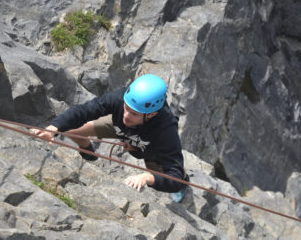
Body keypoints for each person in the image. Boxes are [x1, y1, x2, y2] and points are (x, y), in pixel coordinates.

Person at [31, 74, 188, 201]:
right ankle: (86, 147)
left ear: (152, 114)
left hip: (152, 150)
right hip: (120, 129)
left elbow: (174, 177)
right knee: (72, 129)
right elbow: (84, 111)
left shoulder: (166, 131)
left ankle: (186, 184)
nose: (126, 115)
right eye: (126, 108)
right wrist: (53, 129)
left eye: (134, 113)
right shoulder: (120, 99)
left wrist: (148, 177)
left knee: (172, 177)